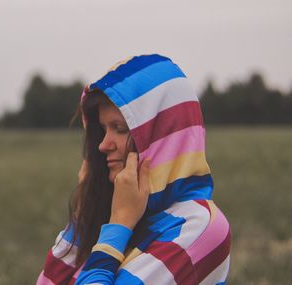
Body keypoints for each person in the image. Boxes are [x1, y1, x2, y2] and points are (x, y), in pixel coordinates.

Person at [36, 54, 231, 285]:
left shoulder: (199, 227)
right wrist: (83, 214)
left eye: (119, 128)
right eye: (102, 129)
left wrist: (119, 224)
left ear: (162, 139)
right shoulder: (123, 215)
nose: (102, 145)